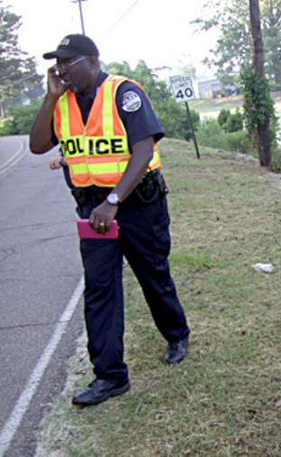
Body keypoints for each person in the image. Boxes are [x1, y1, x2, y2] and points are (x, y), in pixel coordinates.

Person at [29, 34, 190, 407]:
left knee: (152, 273)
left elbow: (144, 148)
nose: (61, 69)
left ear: (92, 61)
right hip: (92, 211)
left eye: (68, 62)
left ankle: (176, 333)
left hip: (136, 204)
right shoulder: (62, 102)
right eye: (58, 63)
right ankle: (110, 375)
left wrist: (114, 200)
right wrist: (51, 97)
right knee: (100, 289)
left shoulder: (124, 93)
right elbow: (38, 145)